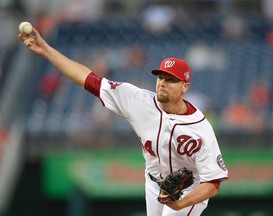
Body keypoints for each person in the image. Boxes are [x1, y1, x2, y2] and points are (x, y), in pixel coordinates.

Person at [19, 28, 228, 216]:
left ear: (185, 86)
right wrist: (46, 50)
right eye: (161, 77)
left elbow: (213, 183)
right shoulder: (137, 100)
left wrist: (181, 203)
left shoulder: (200, 130)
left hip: (189, 189)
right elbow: (89, 79)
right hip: (154, 182)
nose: (163, 83)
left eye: (171, 80)